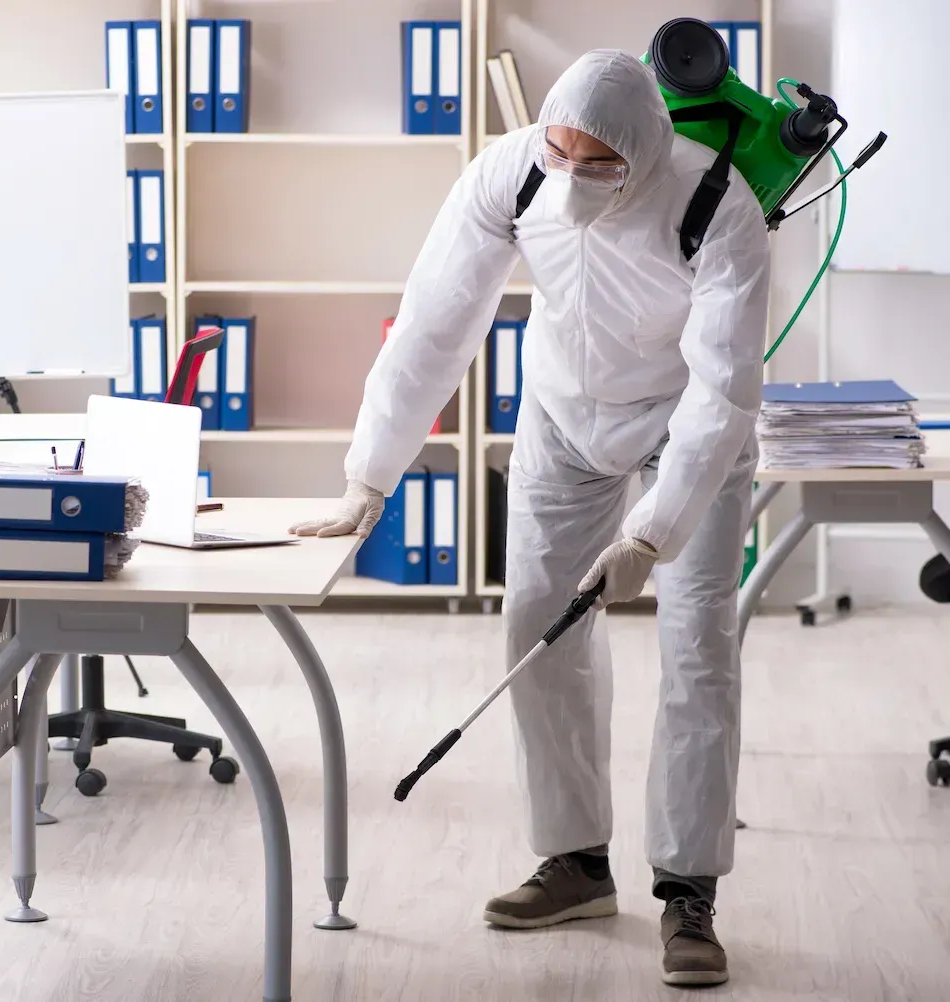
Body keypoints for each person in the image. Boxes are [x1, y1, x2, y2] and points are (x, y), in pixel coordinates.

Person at [290, 49, 769, 987]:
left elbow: (723, 392)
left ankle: (688, 894)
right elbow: (435, 321)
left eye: (601, 166)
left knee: (697, 644)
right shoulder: (509, 173)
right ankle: (575, 862)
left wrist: (653, 533)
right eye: (563, 155)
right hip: (562, 413)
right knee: (536, 627)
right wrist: (370, 477)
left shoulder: (721, 207)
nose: (577, 178)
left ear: (647, 150)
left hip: (688, 424)